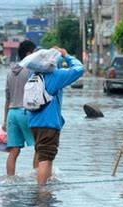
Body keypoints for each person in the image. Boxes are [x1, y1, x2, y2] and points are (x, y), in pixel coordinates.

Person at [26, 47, 85, 185]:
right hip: (49, 124)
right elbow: (79, 68)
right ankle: (42, 193)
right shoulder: (55, 76)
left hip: (34, 123)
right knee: (46, 158)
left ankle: (45, 191)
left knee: (43, 155)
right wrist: (67, 55)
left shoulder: (32, 75)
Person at [2, 40, 38, 176]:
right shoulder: (31, 71)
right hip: (26, 112)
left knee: (14, 151)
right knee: (39, 147)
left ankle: (10, 179)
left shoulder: (10, 72)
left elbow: (7, 99)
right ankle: (37, 178)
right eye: (35, 53)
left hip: (12, 113)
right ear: (29, 54)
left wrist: (4, 121)